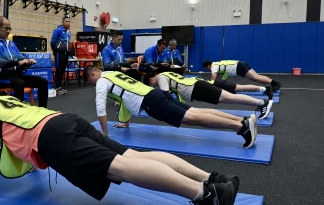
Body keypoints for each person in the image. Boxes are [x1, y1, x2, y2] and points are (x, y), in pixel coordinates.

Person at [0, 95, 238, 205]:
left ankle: (206, 195)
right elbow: (19, 132)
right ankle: (215, 180)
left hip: (53, 137)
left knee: (120, 167)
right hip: (63, 120)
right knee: (133, 156)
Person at [83, 66, 257, 148]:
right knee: (194, 111)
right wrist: (125, 123)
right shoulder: (113, 74)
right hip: (155, 94)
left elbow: (100, 107)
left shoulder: (102, 82)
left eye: (90, 81)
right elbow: (127, 99)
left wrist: (104, 134)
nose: (92, 85)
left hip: (151, 101)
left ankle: (241, 127)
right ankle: (242, 120)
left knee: (191, 118)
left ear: (93, 74)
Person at [145, 72, 273, 119]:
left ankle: (262, 103)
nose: (154, 86)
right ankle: (261, 103)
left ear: (151, 79)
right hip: (196, 87)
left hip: (197, 88)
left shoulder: (161, 77)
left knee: (229, 97)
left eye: (153, 85)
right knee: (228, 99)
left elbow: (166, 94)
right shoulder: (166, 73)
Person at [0, 17, 49, 108]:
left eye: (9, 28)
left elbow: (19, 56)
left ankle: (43, 109)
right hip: (0, 77)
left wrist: (27, 61)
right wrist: (17, 63)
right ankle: (19, 113)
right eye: (6, 28)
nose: (8, 31)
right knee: (19, 83)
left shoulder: (11, 43)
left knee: (43, 82)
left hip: (15, 74)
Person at [203, 60, 282, 92]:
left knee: (256, 78)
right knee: (257, 76)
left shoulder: (214, 66)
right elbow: (225, 74)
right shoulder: (219, 64)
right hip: (240, 64)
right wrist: (224, 83)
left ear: (208, 66)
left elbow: (213, 77)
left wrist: (211, 85)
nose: (208, 69)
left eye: (207, 68)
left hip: (239, 67)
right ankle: (274, 83)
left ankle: (275, 84)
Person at [51, 15, 72, 95]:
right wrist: (55, 50)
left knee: (62, 70)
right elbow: (53, 42)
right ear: (62, 22)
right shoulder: (58, 30)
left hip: (66, 53)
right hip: (59, 52)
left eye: (69, 22)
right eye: (66, 21)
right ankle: (57, 88)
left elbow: (68, 43)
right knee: (58, 70)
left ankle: (60, 87)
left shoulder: (69, 32)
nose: (68, 23)